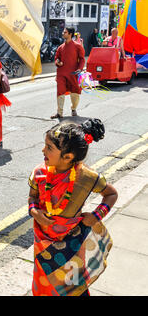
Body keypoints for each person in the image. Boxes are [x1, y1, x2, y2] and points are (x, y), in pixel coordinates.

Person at [28, 119, 118, 296]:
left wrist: (96, 216)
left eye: (49, 147)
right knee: (45, 286)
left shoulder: (87, 177)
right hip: (43, 244)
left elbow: (111, 194)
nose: (43, 150)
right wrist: (34, 211)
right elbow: (32, 197)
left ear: (68, 157)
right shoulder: (39, 172)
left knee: (73, 288)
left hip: (72, 244)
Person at [51, 27, 85, 119]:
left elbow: (82, 59)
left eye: (65, 32)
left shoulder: (78, 46)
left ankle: (73, 109)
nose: (63, 33)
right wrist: (57, 62)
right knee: (60, 92)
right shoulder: (60, 47)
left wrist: (80, 69)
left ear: (70, 34)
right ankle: (59, 113)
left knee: (75, 93)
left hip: (73, 74)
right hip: (61, 73)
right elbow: (57, 58)